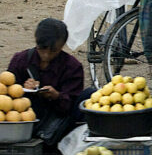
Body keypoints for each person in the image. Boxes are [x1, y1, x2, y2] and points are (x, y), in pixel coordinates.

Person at [7, 18, 90, 147]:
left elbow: (72, 104)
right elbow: (5, 96)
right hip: (25, 123)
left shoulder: (72, 67)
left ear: (62, 46)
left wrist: (57, 96)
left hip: (58, 124)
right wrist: (21, 89)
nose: (46, 55)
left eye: (53, 51)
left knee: (89, 96)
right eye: (42, 49)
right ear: (36, 42)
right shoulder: (21, 60)